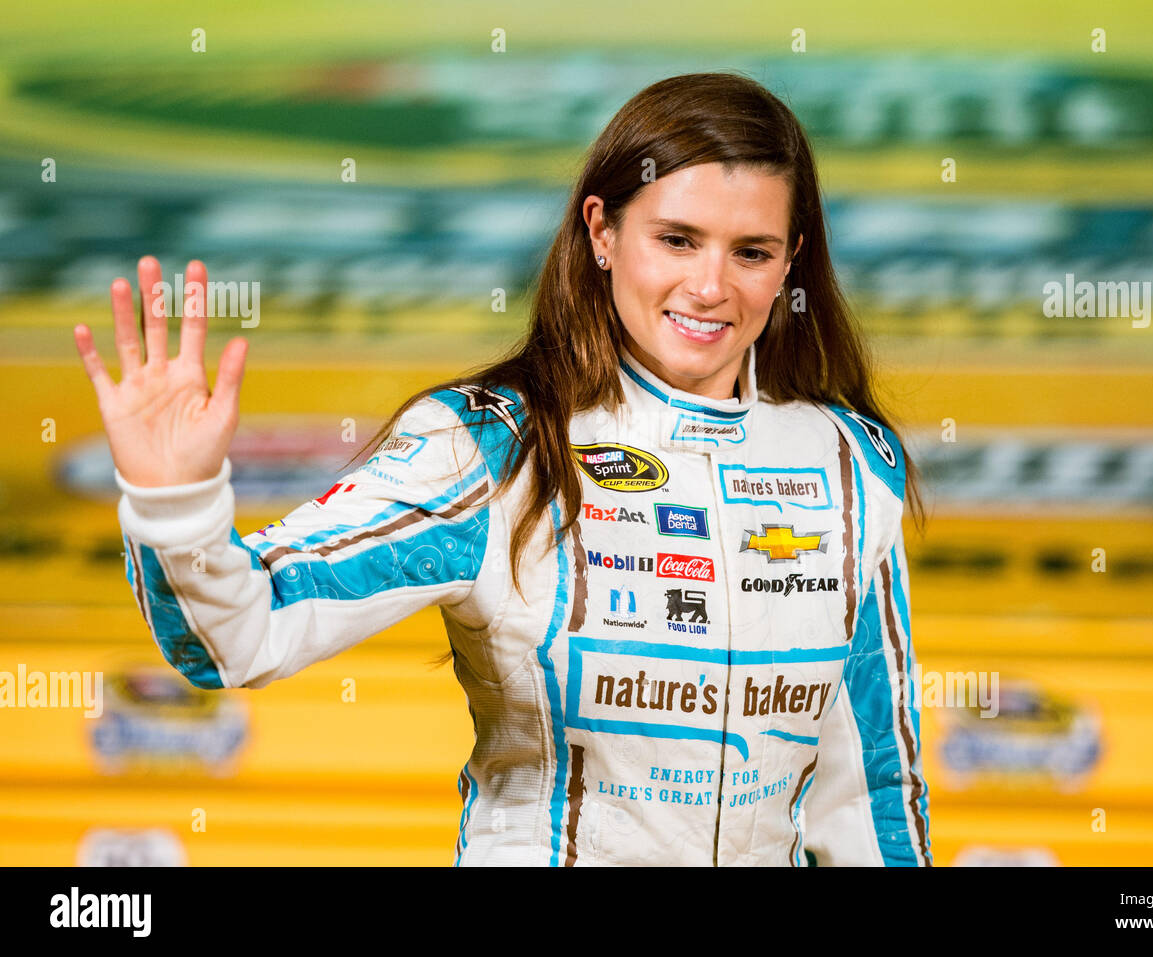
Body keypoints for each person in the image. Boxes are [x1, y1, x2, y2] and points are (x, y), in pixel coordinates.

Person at [73, 72, 931, 866]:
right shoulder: (491, 447)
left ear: (790, 262)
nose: (711, 286)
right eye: (676, 239)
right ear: (601, 231)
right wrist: (173, 500)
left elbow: (871, 796)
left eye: (751, 252)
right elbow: (236, 634)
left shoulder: (848, 465)